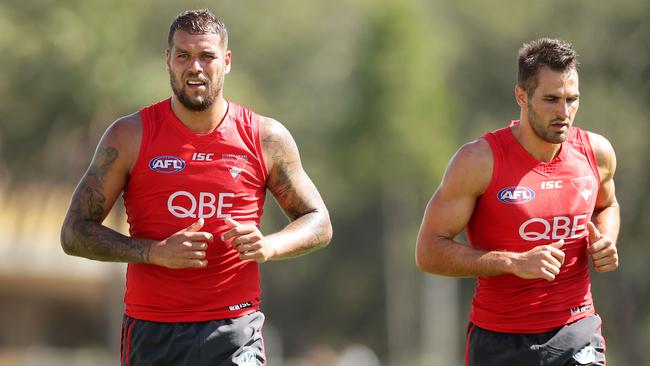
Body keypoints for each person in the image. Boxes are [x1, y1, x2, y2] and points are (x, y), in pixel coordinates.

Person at [60, 9, 332, 366]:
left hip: (235, 328)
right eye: (183, 55)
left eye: (207, 56)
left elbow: (319, 221)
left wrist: (270, 245)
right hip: (153, 331)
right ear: (168, 61)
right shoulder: (130, 136)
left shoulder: (264, 137)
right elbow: (74, 232)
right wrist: (153, 252)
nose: (195, 67)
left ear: (227, 61)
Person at [415, 38, 619, 366]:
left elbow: (607, 205)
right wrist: (512, 263)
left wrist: (606, 238)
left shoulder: (596, 153)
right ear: (521, 96)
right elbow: (428, 252)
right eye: (551, 99)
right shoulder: (478, 161)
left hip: (577, 329)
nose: (563, 112)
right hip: (500, 340)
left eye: (572, 99)